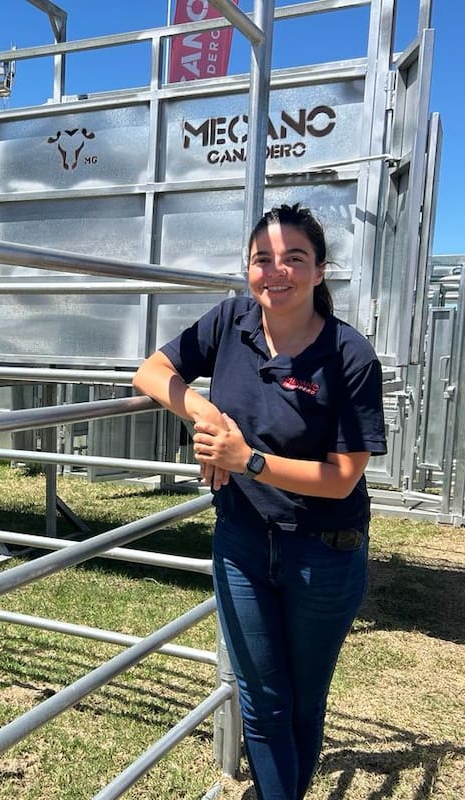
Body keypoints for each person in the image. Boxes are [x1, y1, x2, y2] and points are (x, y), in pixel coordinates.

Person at [132, 203, 386, 800]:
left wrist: (245, 459)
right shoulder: (231, 324)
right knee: (262, 703)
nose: (277, 272)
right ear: (248, 268)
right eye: (262, 259)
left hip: (323, 552)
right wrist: (204, 413)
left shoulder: (350, 357)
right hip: (242, 542)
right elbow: (151, 371)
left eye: (294, 258)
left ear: (321, 270)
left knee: (301, 703)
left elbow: (342, 477)